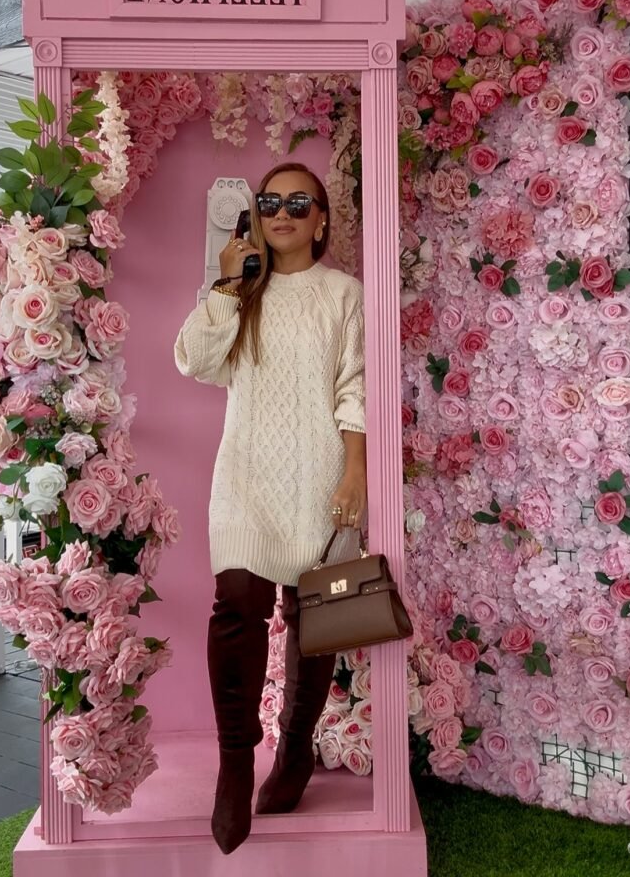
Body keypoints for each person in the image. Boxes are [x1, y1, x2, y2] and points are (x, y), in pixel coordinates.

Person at [173, 162, 366, 855]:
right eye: (269, 201)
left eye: (298, 202)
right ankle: (234, 762)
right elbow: (194, 362)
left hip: (321, 478)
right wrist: (227, 280)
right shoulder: (240, 291)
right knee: (236, 607)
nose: (282, 211)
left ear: (320, 220)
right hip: (246, 477)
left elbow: (356, 387)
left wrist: (355, 472)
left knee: (315, 617)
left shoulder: (345, 293)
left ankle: (294, 751)